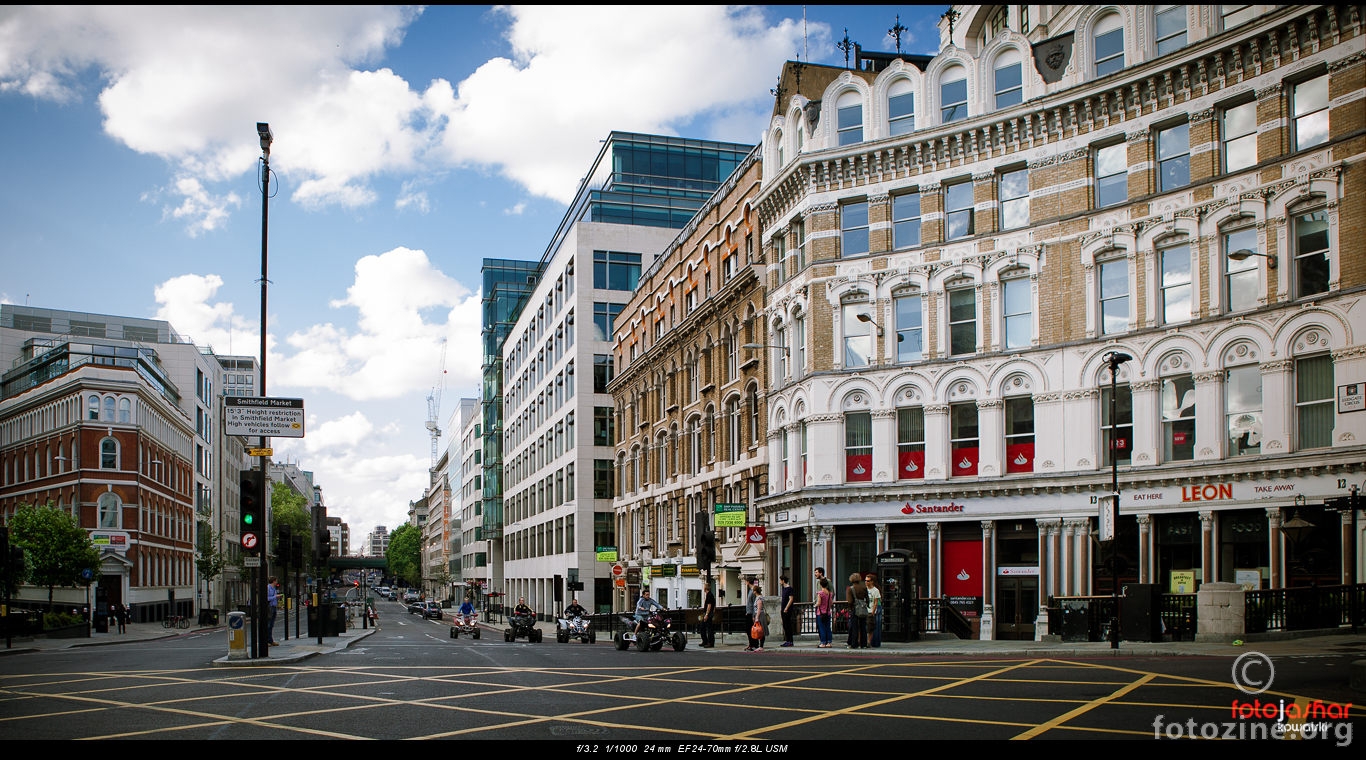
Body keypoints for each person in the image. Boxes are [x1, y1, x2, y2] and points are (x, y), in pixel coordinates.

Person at [845, 572, 868, 649]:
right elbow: (867, 598)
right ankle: (864, 644)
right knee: (863, 627)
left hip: (855, 608)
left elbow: (850, 601)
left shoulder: (850, 589)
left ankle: (854, 643)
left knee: (854, 627)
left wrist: (850, 608)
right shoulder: (864, 587)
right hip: (862, 608)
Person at [746, 580, 767, 651]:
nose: (753, 592)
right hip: (759, 615)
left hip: (760, 615)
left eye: (754, 591)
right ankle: (760, 646)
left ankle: (760, 646)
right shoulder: (759, 597)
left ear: (755, 591)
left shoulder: (759, 598)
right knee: (760, 630)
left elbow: (759, 608)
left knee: (760, 630)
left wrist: (756, 617)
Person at [814, 577, 833, 648]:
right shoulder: (829, 593)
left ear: (821, 585)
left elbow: (818, 603)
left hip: (821, 613)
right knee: (828, 627)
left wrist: (815, 605)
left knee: (821, 628)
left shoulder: (820, 593)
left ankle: (823, 642)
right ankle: (829, 642)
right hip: (828, 613)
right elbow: (831, 603)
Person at [865, 574, 882, 648]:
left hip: (871, 611)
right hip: (863, 611)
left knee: (870, 628)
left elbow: (876, 602)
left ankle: (869, 642)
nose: (866, 582)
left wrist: (873, 612)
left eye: (868, 581)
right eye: (865, 580)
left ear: (872, 581)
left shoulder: (876, 590)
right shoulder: (864, 589)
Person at [779, 575, 796, 647]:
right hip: (783, 609)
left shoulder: (789, 589)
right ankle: (787, 640)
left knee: (788, 625)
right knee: (785, 625)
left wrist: (786, 608)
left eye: (780, 580)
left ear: (783, 580)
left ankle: (790, 641)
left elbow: (791, 599)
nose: (779, 582)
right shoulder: (783, 588)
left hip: (787, 610)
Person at [697, 583, 716, 648]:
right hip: (709, 614)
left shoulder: (709, 595)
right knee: (703, 627)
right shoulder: (710, 595)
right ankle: (705, 641)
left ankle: (710, 642)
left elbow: (709, 605)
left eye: (704, 587)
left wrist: (706, 614)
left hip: (708, 614)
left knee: (708, 628)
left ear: (705, 588)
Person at [266, 576, 280, 646]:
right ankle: (267, 641)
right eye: (276, 581)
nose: (277, 582)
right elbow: (267, 598)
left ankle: (271, 640)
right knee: (268, 624)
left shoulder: (274, 588)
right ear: (273, 581)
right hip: (269, 607)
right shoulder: (268, 588)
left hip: (274, 607)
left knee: (271, 625)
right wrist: (275, 597)